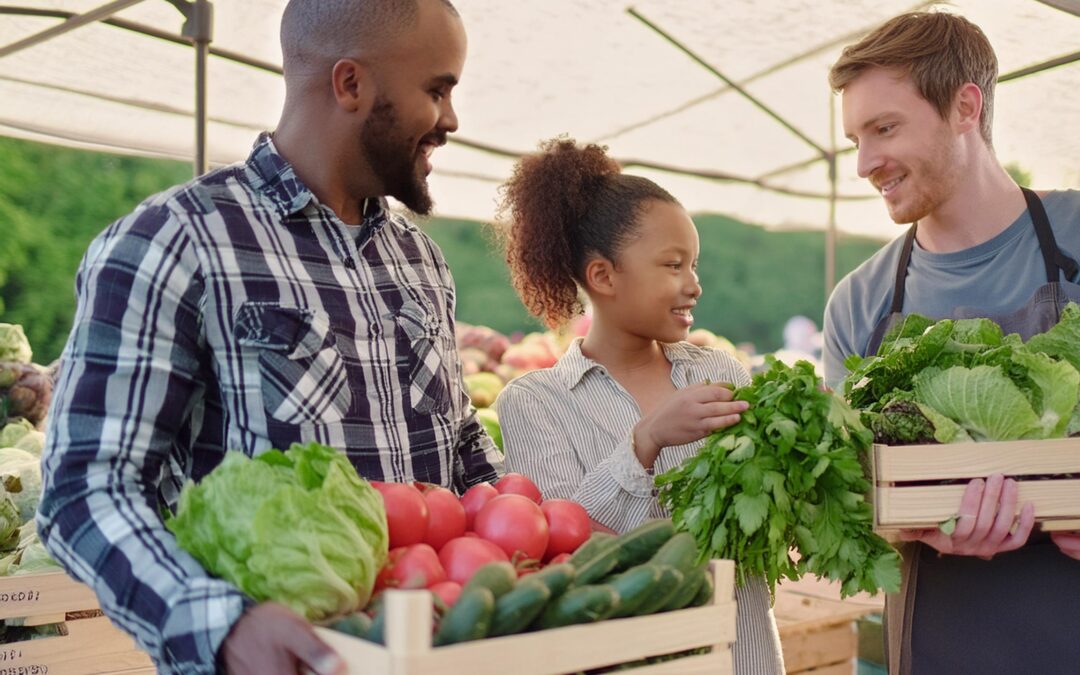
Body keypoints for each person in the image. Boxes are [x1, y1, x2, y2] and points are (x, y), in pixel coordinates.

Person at [37, 1, 502, 673]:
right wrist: (224, 625)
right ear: (350, 85)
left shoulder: (419, 260)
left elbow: (460, 447)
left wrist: (556, 544)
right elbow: (84, 489)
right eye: (437, 89)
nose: (451, 120)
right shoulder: (171, 241)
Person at [822, 10, 1080, 674]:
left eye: (885, 128)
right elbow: (842, 500)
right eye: (856, 137)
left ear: (966, 107)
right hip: (941, 643)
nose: (864, 163)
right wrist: (901, 519)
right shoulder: (860, 300)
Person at [493, 138, 785, 674]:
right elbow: (568, 554)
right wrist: (645, 442)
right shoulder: (534, 404)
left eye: (694, 265)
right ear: (603, 276)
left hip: (743, 657)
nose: (694, 285)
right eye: (673, 265)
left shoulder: (720, 375)